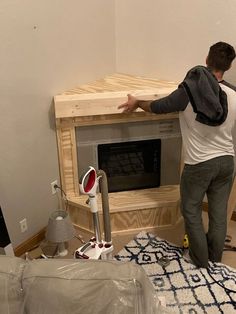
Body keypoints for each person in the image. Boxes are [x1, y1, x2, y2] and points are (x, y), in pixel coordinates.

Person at [118, 42, 236, 268]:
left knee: (190, 210)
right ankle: (215, 260)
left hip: (200, 163)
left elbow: (158, 106)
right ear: (228, 66)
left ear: (207, 59)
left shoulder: (190, 90)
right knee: (218, 215)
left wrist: (137, 102)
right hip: (227, 162)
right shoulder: (233, 93)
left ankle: (200, 262)